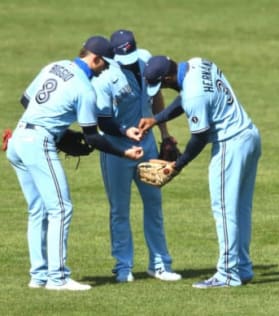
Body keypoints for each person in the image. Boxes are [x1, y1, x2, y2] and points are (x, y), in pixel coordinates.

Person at [6, 36, 144, 291]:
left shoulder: (54, 66)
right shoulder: (84, 88)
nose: (105, 70)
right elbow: (92, 136)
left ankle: (39, 276)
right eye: (105, 64)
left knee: (38, 209)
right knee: (61, 208)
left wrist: (59, 128)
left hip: (18, 138)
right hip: (38, 143)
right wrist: (124, 153)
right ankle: (57, 278)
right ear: (96, 59)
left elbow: (27, 101)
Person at [139, 55, 261, 288]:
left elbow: (200, 137)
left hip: (230, 144)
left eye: (163, 84)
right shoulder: (198, 64)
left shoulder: (194, 93)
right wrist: (156, 119)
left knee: (224, 210)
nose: (164, 88)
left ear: (168, 77)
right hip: (250, 136)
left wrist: (178, 164)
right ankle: (242, 268)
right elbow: (183, 98)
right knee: (240, 209)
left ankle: (227, 274)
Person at [91, 30, 181, 283]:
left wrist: (164, 133)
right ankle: (123, 266)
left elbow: (156, 97)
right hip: (117, 151)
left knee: (154, 205)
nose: (129, 61)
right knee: (120, 210)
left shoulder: (145, 61)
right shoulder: (103, 78)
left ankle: (160, 264)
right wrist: (123, 132)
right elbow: (102, 120)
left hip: (148, 147)